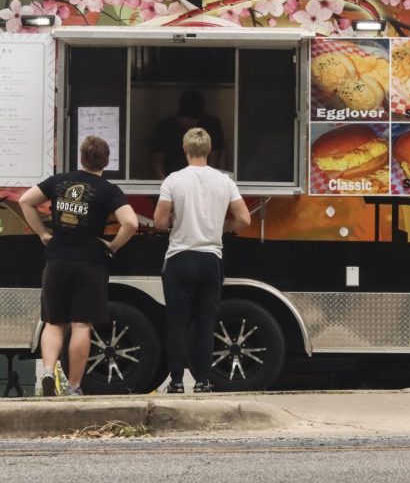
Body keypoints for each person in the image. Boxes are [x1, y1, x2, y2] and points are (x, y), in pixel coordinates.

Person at [19, 135, 138, 397]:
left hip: (57, 258)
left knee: (53, 322)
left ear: (81, 158)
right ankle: (73, 386)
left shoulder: (59, 181)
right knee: (82, 325)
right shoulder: (108, 190)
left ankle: (48, 373)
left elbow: (25, 201)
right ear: (105, 161)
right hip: (90, 262)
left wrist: (42, 233)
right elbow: (131, 223)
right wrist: (114, 245)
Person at [153, 127, 251, 393]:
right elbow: (244, 219)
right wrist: (222, 227)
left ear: (185, 150)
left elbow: (160, 221)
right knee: (205, 324)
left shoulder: (173, 180)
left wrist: (177, 220)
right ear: (209, 151)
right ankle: (203, 381)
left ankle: (175, 382)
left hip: (179, 259)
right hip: (210, 259)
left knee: (177, 323)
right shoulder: (225, 181)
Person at [151, 89, 225, 178]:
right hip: (172, 180)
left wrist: (209, 181)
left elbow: (216, 158)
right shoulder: (165, 127)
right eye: (185, 119)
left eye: (194, 120)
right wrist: (164, 182)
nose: (189, 123)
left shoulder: (211, 125)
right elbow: (157, 160)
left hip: (203, 180)